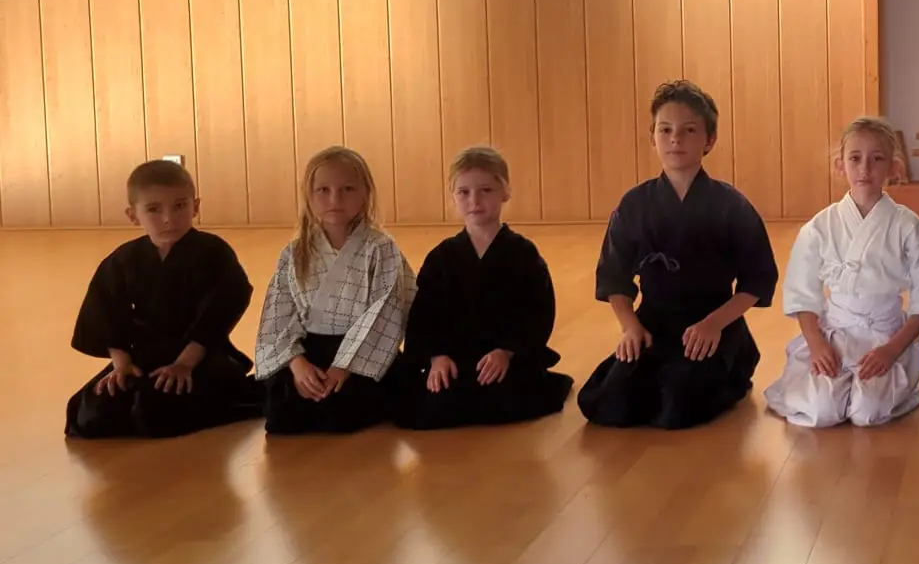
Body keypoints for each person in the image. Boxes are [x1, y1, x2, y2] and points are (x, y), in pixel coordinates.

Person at [578, 80, 779, 429]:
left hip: (714, 323)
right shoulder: (634, 204)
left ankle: (733, 373)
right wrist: (631, 328)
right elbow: (615, 276)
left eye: (689, 130)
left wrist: (714, 324)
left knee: (677, 406)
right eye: (665, 129)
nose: (675, 139)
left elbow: (757, 279)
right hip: (653, 322)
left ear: (709, 140)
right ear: (652, 136)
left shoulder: (731, 205)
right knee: (609, 404)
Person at [764, 117, 919, 428]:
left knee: (867, 412)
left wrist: (891, 349)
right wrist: (818, 343)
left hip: (887, 334)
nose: (865, 169)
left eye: (877, 159)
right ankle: (829, 385)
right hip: (834, 332)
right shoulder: (820, 227)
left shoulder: (910, 228)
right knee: (821, 410)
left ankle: (894, 385)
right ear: (840, 165)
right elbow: (802, 294)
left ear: (894, 168)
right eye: (855, 158)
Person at [64, 159, 260, 439]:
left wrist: (184, 364)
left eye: (180, 206)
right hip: (144, 356)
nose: (169, 218)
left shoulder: (214, 253)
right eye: (154, 209)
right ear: (133, 215)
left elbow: (222, 309)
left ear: (196, 206)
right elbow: (105, 312)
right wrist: (121, 365)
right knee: (89, 413)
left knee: (153, 411)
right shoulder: (124, 259)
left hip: (201, 356)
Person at [392, 146, 573, 429]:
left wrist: (508, 351)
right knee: (433, 404)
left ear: (505, 192)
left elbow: (537, 312)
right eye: (464, 192)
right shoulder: (442, 257)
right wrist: (437, 356)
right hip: (455, 359)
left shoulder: (523, 253)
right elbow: (424, 315)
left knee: (509, 397)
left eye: (486, 190)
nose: (474, 200)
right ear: (453, 197)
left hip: (503, 360)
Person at [254, 146, 414, 435]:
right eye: (323, 190)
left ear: (366, 194)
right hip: (308, 350)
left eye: (347, 189)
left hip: (360, 353)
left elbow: (385, 309)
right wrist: (297, 364)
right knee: (281, 413)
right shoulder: (294, 253)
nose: (334, 199)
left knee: (342, 409)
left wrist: (344, 366)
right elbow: (278, 314)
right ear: (308, 196)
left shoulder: (380, 247)